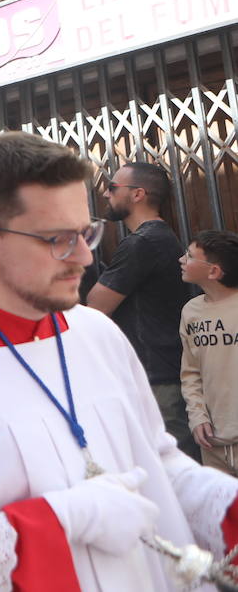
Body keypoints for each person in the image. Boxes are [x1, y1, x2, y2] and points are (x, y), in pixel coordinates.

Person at [0, 131, 238, 591]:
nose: (86, 257)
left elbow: (156, 464)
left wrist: (229, 504)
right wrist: (72, 515)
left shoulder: (96, 331)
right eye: (59, 239)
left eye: (86, 232)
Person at [86, 161, 200, 459]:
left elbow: (96, 306)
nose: (107, 195)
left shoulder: (143, 242)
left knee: (173, 471)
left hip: (157, 378)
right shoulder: (158, 237)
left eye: (112, 188)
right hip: (162, 371)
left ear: (137, 194)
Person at [179, 230, 238, 477]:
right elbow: (190, 372)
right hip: (213, 445)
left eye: (190, 256)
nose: (181, 259)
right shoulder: (191, 311)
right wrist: (197, 416)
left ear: (214, 272)